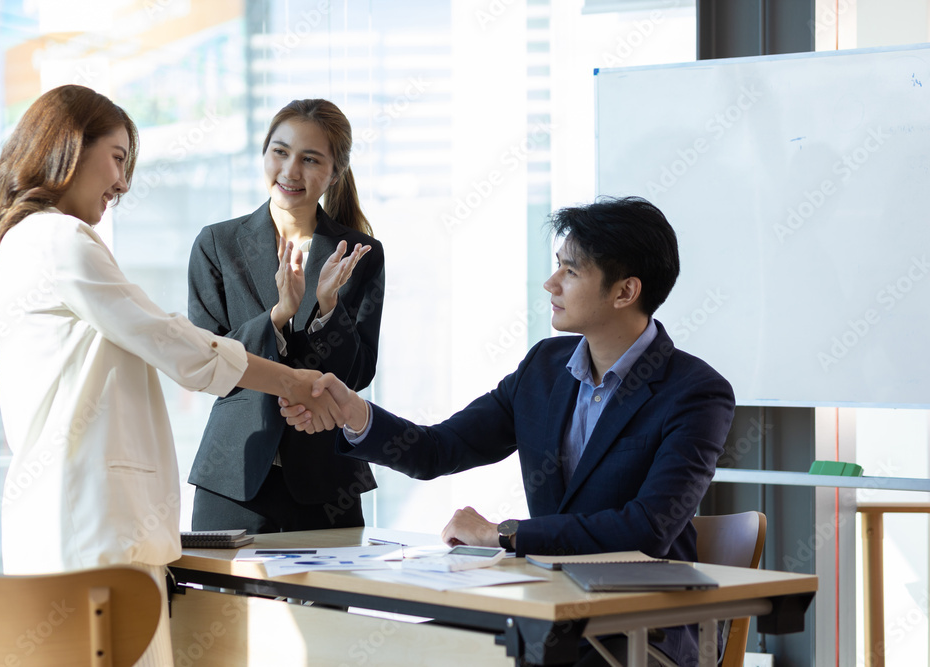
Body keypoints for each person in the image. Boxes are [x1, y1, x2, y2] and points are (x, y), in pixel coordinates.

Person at [0, 84, 341, 667]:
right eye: (117, 158)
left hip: (67, 528)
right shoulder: (60, 239)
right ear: (70, 148)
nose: (124, 183)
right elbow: (174, 342)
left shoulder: (22, 242)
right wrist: (294, 382)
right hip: (94, 536)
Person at [284, 196, 735, 666]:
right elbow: (441, 449)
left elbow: (647, 530)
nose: (551, 282)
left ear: (625, 292)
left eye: (571, 272)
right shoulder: (545, 367)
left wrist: (504, 534)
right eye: (557, 266)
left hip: (642, 629)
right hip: (545, 611)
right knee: (415, 649)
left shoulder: (695, 392)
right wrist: (357, 415)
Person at [186, 99, 384, 534]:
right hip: (234, 477)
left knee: (325, 605)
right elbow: (205, 359)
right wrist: (278, 315)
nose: (291, 170)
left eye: (310, 159)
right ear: (264, 154)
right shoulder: (216, 244)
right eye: (280, 152)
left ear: (334, 173)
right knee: (222, 606)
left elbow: (360, 372)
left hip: (326, 483)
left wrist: (328, 308)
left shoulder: (357, 252)